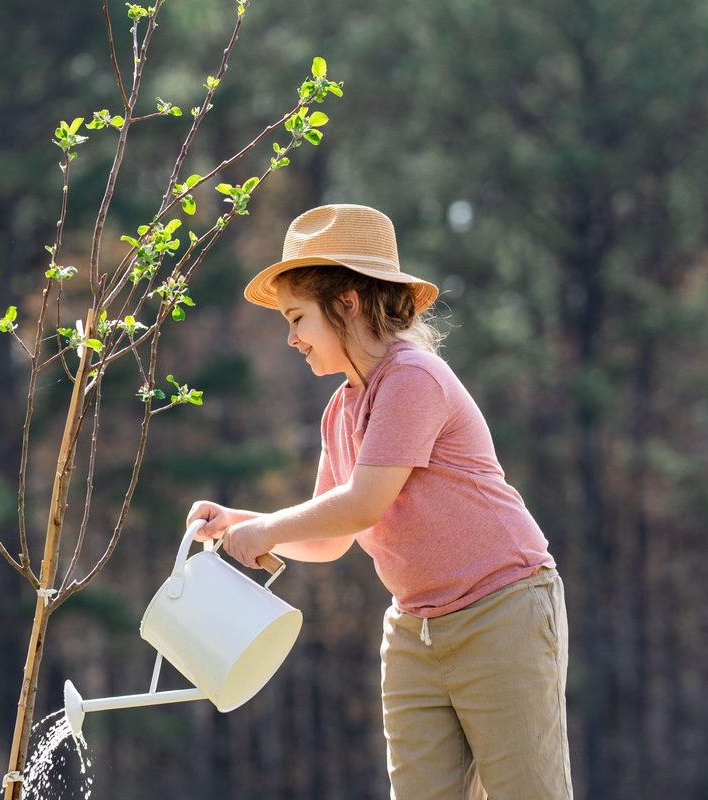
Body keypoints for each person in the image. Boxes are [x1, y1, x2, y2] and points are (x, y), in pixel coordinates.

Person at [185, 204, 572, 799]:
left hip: (504, 611)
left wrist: (262, 534)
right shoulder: (340, 411)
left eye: (297, 319)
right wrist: (247, 523)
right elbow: (329, 535)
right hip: (415, 630)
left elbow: (363, 503)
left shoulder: (412, 378)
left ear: (347, 303)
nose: (290, 339)